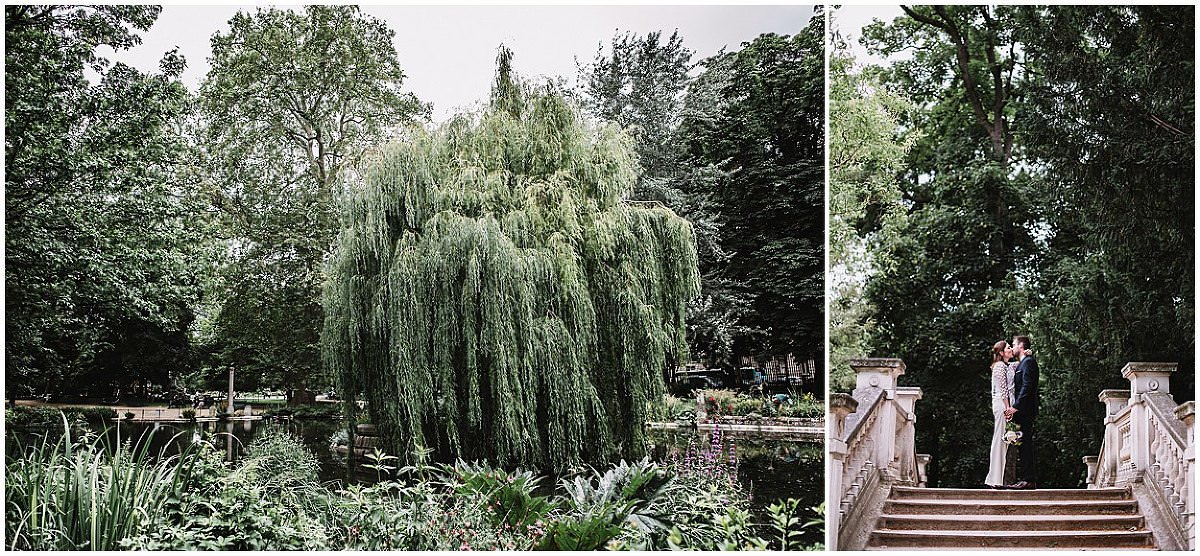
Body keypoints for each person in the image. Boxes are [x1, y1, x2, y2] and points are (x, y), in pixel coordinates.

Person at [1004, 334, 1039, 489]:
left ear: (1021, 345)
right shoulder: (1022, 363)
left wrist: (1015, 406)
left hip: (1025, 410)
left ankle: (1028, 479)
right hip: (1021, 411)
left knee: (1026, 444)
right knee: (1022, 444)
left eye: (1014, 344)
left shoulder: (1029, 362)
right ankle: (1025, 478)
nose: (1012, 347)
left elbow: (1027, 386)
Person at [984, 340, 1015, 488]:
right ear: (1001, 353)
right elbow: (1003, 389)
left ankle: (997, 479)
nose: (1011, 349)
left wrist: (1026, 354)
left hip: (1006, 404)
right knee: (1000, 441)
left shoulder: (1007, 365)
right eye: (1008, 347)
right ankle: (995, 480)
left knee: (1005, 442)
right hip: (1002, 405)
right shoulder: (999, 366)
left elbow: (1018, 364)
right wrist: (1008, 408)